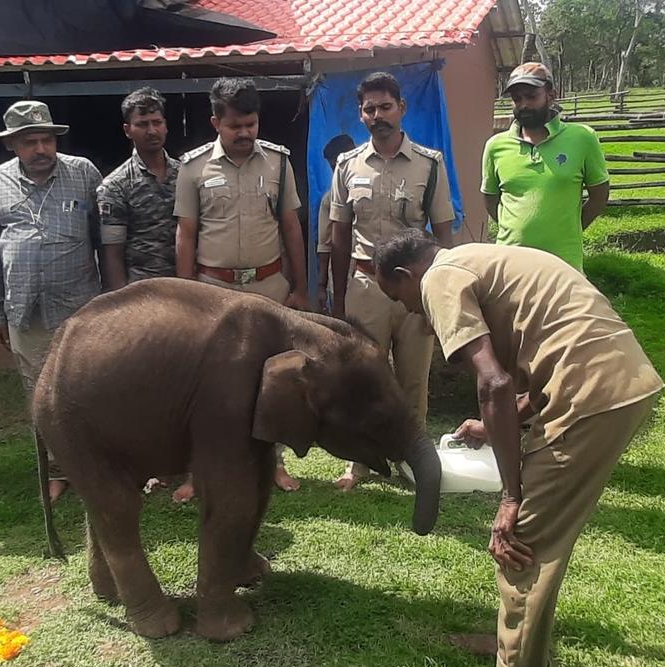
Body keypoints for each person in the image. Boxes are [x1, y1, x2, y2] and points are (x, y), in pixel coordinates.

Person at [374, 229, 664, 667]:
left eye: (401, 298)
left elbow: (494, 382)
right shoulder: (485, 257)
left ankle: (516, 666)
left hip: (589, 397)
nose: (412, 312)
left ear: (405, 274)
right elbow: (544, 368)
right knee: (542, 538)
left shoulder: (439, 278)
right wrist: (492, 430)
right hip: (625, 380)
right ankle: (517, 643)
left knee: (520, 540)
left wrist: (512, 496)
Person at [173, 77, 311, 500]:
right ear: (216, 122)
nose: (245, 133)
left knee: (274, 378)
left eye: (251, 124)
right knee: (208, 383)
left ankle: (274, 463)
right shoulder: (193, 168)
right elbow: (185, 233)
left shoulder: (278, 163)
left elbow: (291, 225)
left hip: (268, 286)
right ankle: (198, 469)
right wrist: (183, 295)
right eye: (235, 126)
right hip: (213, 290)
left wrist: (301, 287)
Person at [328, 72, 455, 491]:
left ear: (402, 108)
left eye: (385, 106)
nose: (377, 115)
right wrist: (338, 291)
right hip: (364, 286)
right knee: (362, 376)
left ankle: (412, 458)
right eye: (369, 109)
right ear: (360, 114)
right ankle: (360, 462)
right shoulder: (347, 166)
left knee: (414, 378)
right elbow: (339, 234)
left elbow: (442, 234)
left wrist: (444, 292)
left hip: (416, 290)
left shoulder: (430, 163)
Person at [0, 100, 103, 503]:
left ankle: (99, 466)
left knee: (89, 389)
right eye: (29, 142)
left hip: (79, 310)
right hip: (25, 312)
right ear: (12, 144)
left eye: (46, 139)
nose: (41, 149)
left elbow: (104, 238)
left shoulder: (83, 174)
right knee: (39, 394)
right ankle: (54, 470)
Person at [482, 62, 609, 273]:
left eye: (531, 96)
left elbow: (599, 195)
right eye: (517, 99)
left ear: (551, 95)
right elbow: (490, 199)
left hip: (564, 265)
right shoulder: (496, 146)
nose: (523, 105)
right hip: (511, 265)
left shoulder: (582, 138)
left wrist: (569, 229)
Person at [97, 87, 180, 289]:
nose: (152, 131)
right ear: (128, 130)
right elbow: (112, 253)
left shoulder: (186, 174)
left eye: (157, 123)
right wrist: (121, 302)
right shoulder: (115, 186)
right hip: (142, 290)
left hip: (186, 287)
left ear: (165, 125)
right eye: (142, 124)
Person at [315, 134, 356, 313]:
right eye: (333, 167)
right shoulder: (329, 199)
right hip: (341, 279)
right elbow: (325, 246)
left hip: (369, 277)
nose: (337, 172)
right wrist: (321, 286)